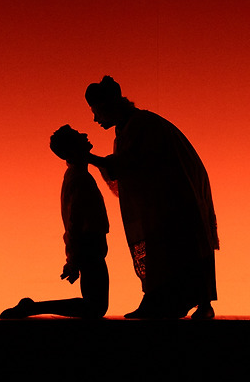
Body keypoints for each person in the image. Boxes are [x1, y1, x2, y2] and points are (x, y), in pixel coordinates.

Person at [84, 76, 219, 320]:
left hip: (175, 200)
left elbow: (126, 164)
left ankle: (197, 303)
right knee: (170, 250)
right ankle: (164, 302)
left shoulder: (141, 125)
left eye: (96, 111)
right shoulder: (130, 127)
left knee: (182, 248)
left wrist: (87, 157)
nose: (95, 119)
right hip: (164, 201)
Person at [0, 126, 110, 319]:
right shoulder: (78, 178)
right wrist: (73, 259)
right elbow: (73, 222)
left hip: (91, 245)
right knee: (95, 307)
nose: (85, 134)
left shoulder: (78, 175)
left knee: (95, 306)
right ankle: (32, 308)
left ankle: (32, 308)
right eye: (78, 136)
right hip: (89, 246)